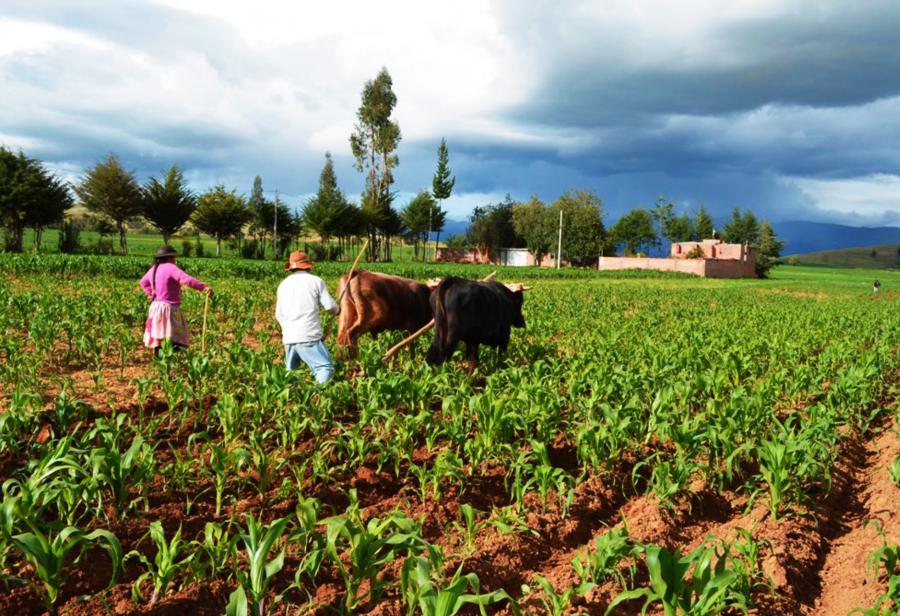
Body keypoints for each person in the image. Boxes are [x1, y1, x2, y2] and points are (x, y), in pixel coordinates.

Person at [275, 250, 339, 384]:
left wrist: (288, 329)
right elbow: (329, 306)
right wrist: (338, 310)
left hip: (288, 337)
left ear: (291, 268)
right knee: (324, 368)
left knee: (291, 373)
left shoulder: (283, 284)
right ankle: (317, 396)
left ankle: (289, 400)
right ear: (308, 266)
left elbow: (278, 314)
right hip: (308, 335)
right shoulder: (316, 281)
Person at [139, 245, 211, 354]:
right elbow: (186, 279)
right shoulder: (170, 267)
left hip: (156, 307)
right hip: (169, 309)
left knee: (159, 336)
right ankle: (170, 361)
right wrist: (203, 287)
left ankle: (160, 362)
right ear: (169, 258)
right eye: (174, 257)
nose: (175, 260)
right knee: (172, 336)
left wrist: (151, 294)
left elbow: (143, 282)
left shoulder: (154, 269)